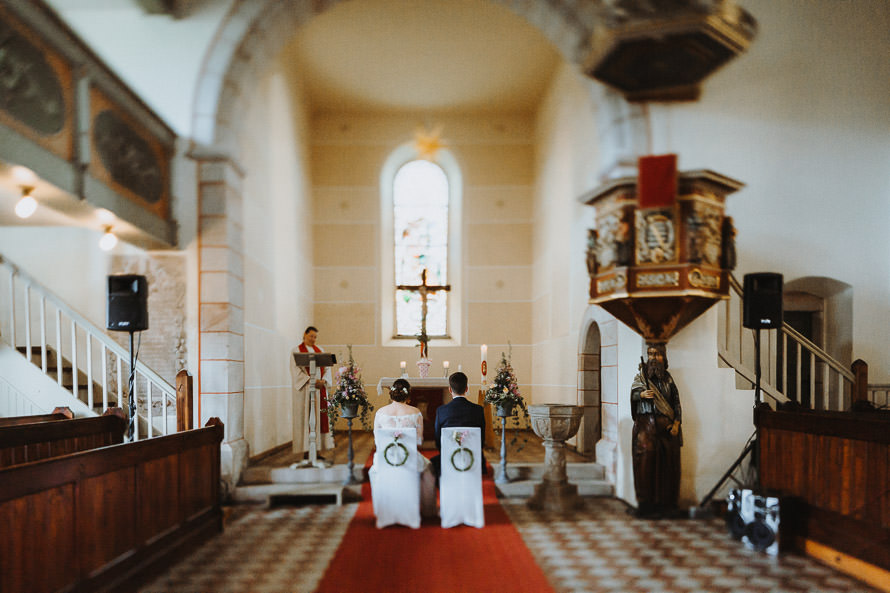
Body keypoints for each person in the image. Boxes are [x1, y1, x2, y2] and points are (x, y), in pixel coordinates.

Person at [369, 378, 437, 517]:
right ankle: (427, 511)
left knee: (373, 470)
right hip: (409, 459)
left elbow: (378, 441)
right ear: (408, 394)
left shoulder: (380, 413)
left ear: (392, 393)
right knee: (429, 469)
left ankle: (382, 509)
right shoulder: (416, 412)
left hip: (386, 459)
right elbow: (418, 441)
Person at [630, 343, 683, 517]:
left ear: (664, 357)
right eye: (650, 354)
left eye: (657, 354)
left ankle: (665, 502)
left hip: (666, 429)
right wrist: (640, 395)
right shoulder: (641, 378)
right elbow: (633, 394)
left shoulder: (668, 379)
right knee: (646, 463)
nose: (653, 358)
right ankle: (646, 503)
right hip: (646, 427)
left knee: (668, 464)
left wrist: (676, 423)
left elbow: (676, 403)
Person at [431, 371, 487, 478]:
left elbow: (438, 439)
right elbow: (482, 438)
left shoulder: (441, 410)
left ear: (450, 390)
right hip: (473, 456)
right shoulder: (478, 410)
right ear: (466, 389)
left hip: (448, 456)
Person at [289, 326, 334, 457]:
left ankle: (318, 451)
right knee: (306, 419)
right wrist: (312, 380)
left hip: (319, 390)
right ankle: (306, 451)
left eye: (315, 337)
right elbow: (296, 372)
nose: (313, 339)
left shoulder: (320, 351)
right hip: (305, 390)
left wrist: (323, 381)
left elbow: (327, 369)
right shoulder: (296, 351)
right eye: (311, 336)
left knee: (319, 420)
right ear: (304, 334)